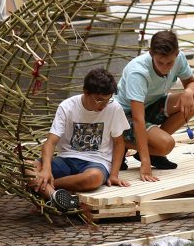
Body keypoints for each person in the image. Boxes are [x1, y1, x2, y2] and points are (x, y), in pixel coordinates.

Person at [31, 68, 131, 211]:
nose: (103, 105)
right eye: (99, 100)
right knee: (27, 166)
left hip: (96, 162)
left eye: (107, 100)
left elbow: (119, 143)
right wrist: (46, 169)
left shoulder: (114, 108)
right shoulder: (67, 106)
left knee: (93, 178)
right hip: (66, 159)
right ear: (85, 92)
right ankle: (54, 196)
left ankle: (48, 187)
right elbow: (50, 142)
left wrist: (114, 174)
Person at [114, 30, 194, 182]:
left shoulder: (179, 58)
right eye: (160, 62)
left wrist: (188, 92)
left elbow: (192, 82)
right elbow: (138, 117)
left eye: (170, 63)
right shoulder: (138, 72)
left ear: (177, 53)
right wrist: (145, 163)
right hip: (124, 115)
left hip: (151, 104)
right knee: (166, 144)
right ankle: (120, 143)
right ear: (151, 53)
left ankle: (151, 151)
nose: (165, 67)